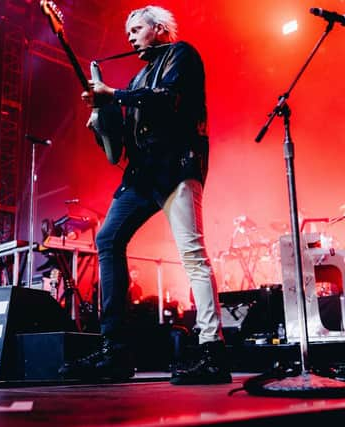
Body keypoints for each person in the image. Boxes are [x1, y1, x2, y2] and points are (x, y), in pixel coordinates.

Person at [60, 5, 229, 385]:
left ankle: (212, 350)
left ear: (159, 28)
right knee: (108, 239)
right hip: (142, 175)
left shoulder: (181, 54)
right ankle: (114, 349)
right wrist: (100, 121)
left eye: (137, 29)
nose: (131, 37)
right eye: (129, 32)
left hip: (176, 166)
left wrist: (115, 94)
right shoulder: (136, 79)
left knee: (191, 251)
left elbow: (168, 98)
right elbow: (115, 153)